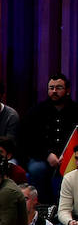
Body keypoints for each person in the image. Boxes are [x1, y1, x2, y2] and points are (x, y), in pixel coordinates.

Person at [20, 74, 76, 202]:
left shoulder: (76, 111)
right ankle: (43, 206)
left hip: (71, 158)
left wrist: (68, 155)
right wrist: (47, 154)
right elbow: (29, 139)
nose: (54, 91)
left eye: (59, 88)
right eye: (51, 88)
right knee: (37, 169)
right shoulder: (36, 111)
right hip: (42, 157)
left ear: (67, 90)